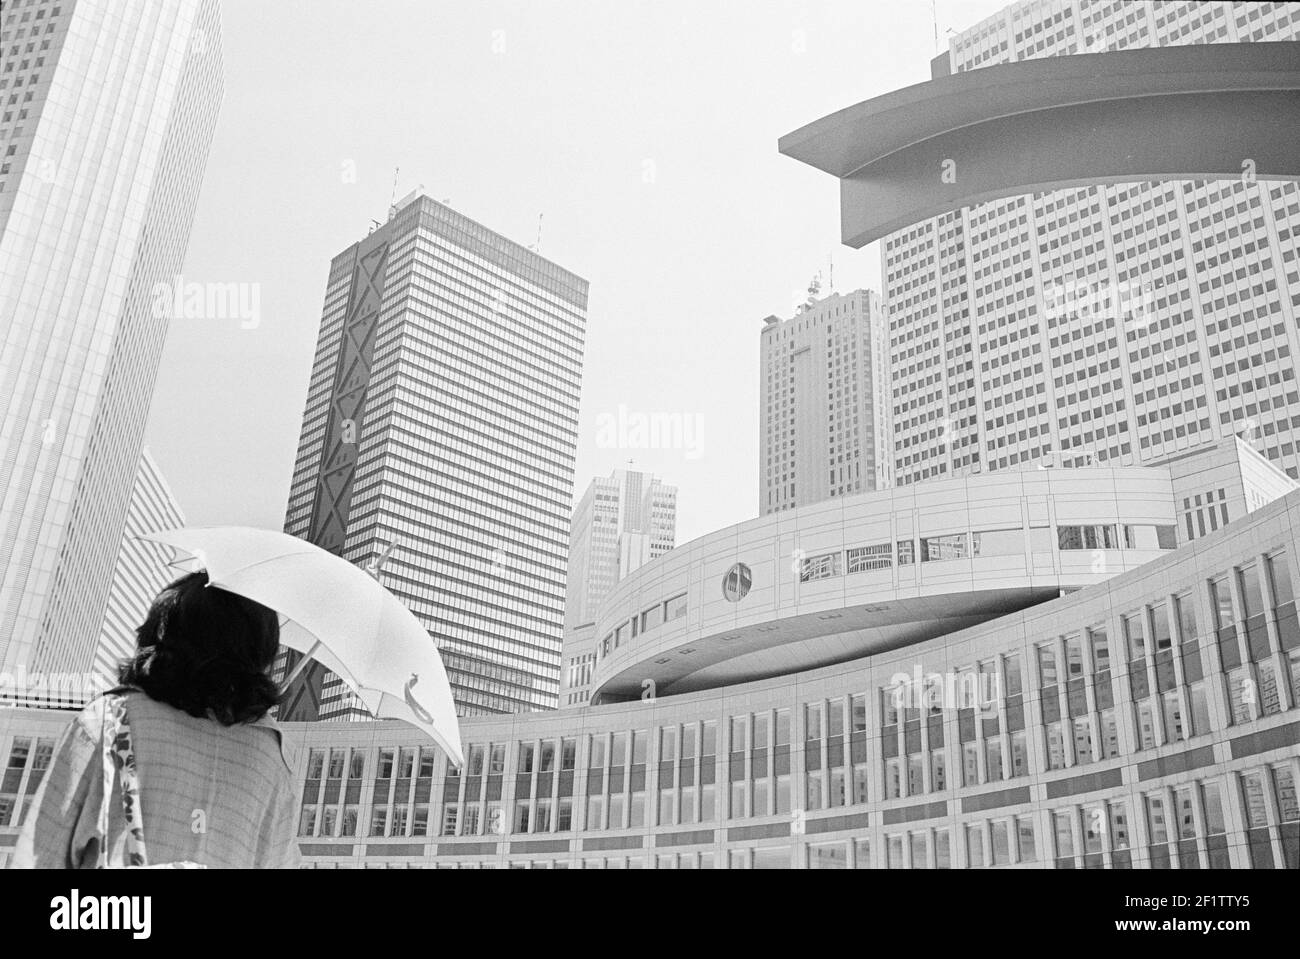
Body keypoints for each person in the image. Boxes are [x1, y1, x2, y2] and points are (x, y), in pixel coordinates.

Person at [13, 570, 301, 868]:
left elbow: (39, 855)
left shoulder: (112, 719)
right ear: (261, 650)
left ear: (159, 633)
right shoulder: (273, 758)